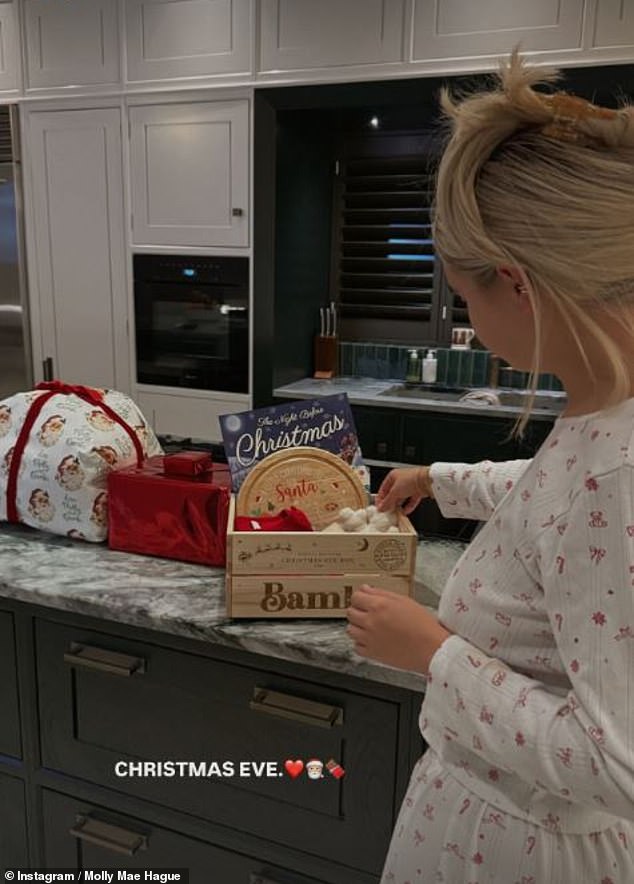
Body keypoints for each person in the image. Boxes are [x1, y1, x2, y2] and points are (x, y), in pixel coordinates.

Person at [346, 51, 634, 883]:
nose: (465, 318)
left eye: (465, 300)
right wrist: (441, 479)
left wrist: (433, 650)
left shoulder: (613, 470)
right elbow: (554, 506)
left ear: (515, 285)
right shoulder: (604, 420)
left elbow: (618, 766)